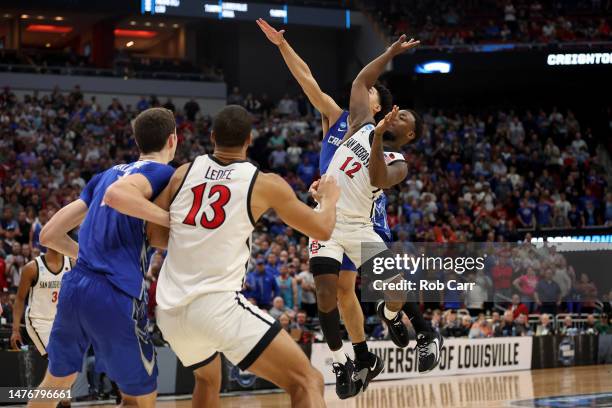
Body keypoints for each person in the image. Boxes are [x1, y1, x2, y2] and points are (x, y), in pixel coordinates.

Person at [150, 105, 339, 408]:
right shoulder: (264, 183)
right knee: (308, 381)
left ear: (211, 136)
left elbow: (155, 235)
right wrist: (329, 199)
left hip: (170, 311)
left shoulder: (184, 172)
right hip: (215, 307)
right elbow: (322, 229)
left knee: (208, 378)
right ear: (250, 140)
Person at [258, 18, 397, 397]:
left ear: (378, 107)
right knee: (334, 290)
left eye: (369, 92)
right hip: (328, 216)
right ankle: (359, 356)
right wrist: (282, 46)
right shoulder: (335, 117)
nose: (362, 92)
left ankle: (380, 334)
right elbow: (307, 80)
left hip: (361, 214)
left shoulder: (376, 134)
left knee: (353, 288)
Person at [309, 34, 443, 393]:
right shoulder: (360, 124)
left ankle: (391, 314)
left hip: (358, 226)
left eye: (405, 118)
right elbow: (360, 82)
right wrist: (389, 53)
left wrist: (380, 137)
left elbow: (377, 177)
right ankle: (343, 363)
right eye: (396, 110)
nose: (397, 114)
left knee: (394, 288)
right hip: (326, 219)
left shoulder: (398, 161)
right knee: (326, 292)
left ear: (409, 134)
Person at [29, 107, 177, 408]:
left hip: (75, 287)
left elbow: (49, 235)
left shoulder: (106, 174)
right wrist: (172, 219)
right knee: (142, 395)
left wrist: (88, 255)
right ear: (173, 140)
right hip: (114, 292)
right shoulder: (163, 174)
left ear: (137, 142)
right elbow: (118, 197)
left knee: (55, 383)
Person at [11, 248, 72, 355]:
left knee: (68, 362)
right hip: (39, 320)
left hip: (61, 321)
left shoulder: (72, 264)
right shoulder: (32, 268)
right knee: (58, 358)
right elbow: (20, 299)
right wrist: (15, 330)